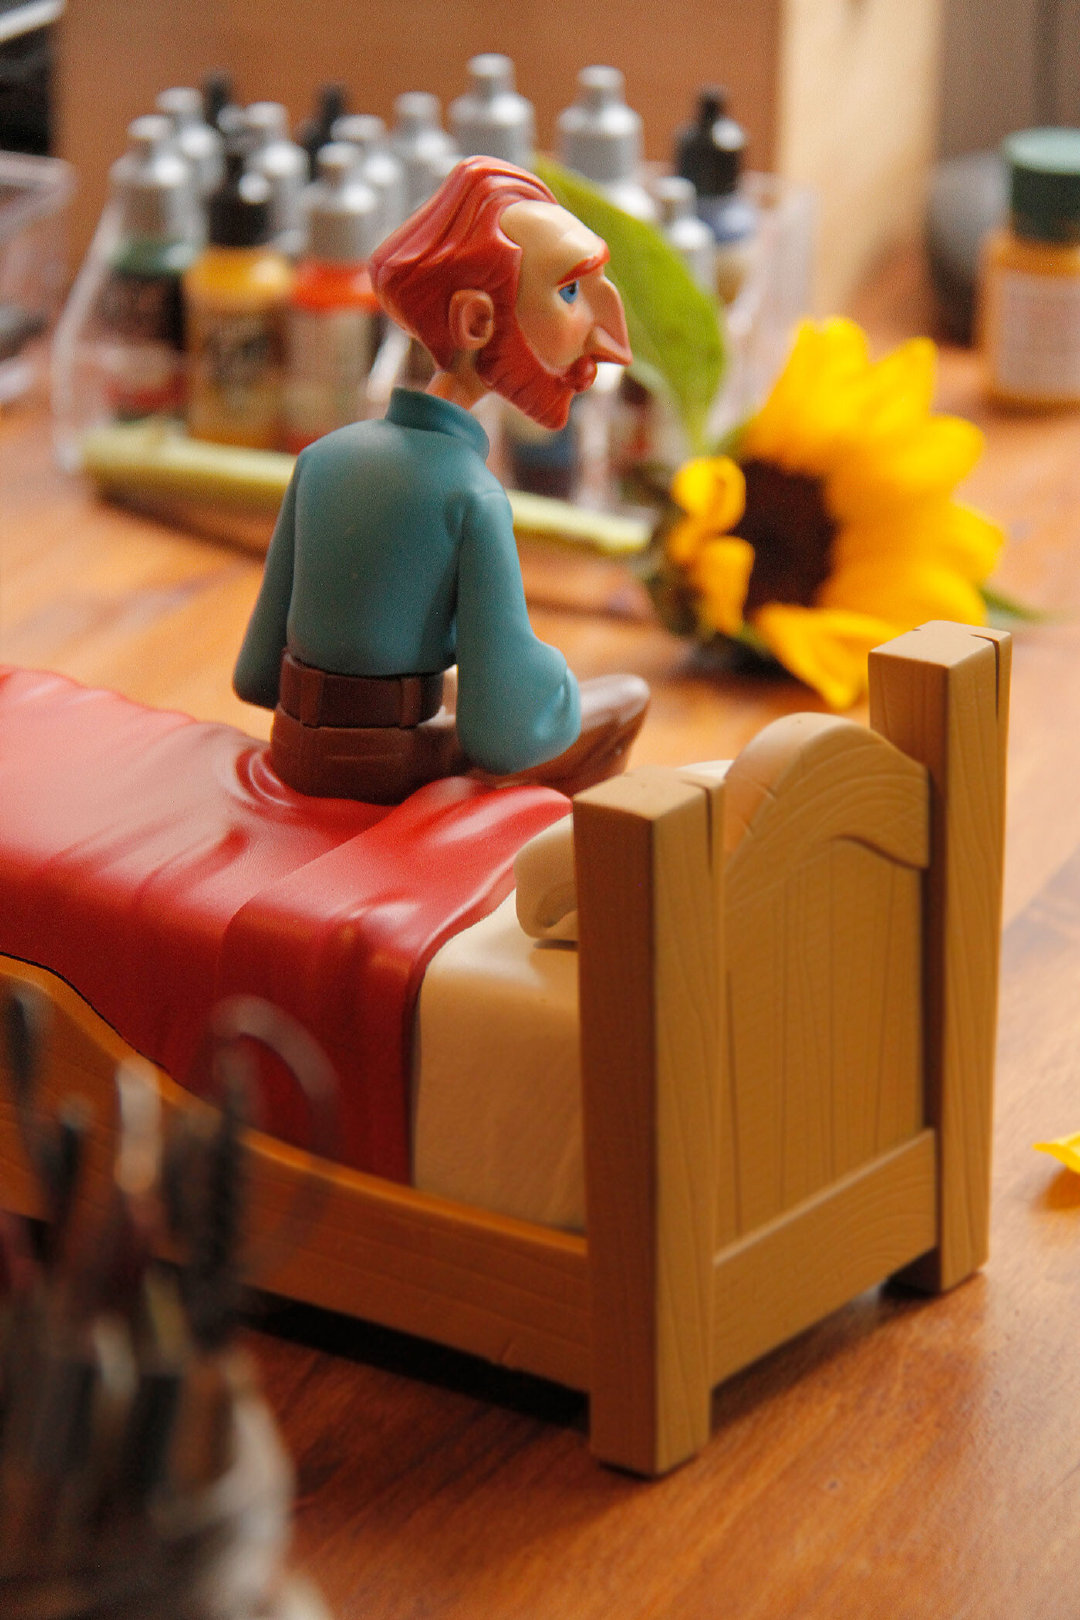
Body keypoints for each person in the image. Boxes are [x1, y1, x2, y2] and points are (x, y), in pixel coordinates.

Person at [233, 156, 649, 804]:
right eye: (569, 291)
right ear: (476, 323)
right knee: (623, 701)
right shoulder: (470, 495)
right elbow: (503, 729)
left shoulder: (322, 458)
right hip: (386, 771)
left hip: (293, 748)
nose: (611, 344)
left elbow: (258, 674)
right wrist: (556, 677)